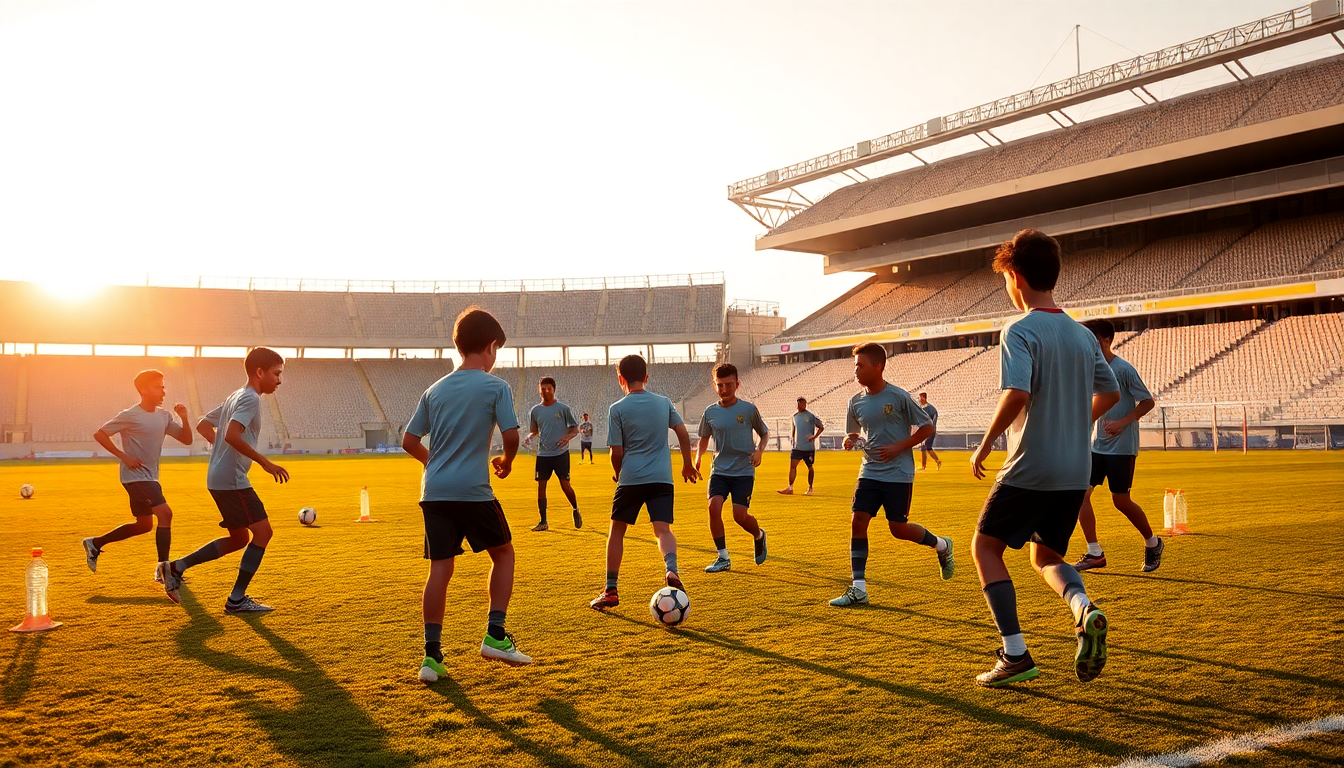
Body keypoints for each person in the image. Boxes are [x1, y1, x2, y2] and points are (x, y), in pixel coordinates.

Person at [968, 229, 1120, 687]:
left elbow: (1017, 392)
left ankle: (1015, 655)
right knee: (1046, 556)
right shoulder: (1082, 334)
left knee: (985, 547)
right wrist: (1074, 424)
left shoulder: (1019, 328)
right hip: (1076, 469)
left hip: (1032, 464)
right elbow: (1110, 391)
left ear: (1014, 277)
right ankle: (1083, 607)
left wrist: (987, 440)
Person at [403, 308, 531, 683]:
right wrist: (506, 460)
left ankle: (431, 657)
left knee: (440, 569)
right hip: (473, 491)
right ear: (491, 347)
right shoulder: (496, 387)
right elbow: (511, 435)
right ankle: (495, 634)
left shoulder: (434, 389)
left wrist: (433, 464)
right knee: (503, 553)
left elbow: (409, 440)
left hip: (435, 492)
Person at [161, 348, 291, 612]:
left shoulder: (236, 395)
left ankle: (175, 567)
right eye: (276, 374)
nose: (279, 380)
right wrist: (265, 462)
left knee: (239, 538)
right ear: (259, 372)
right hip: (232, 480)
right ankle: (236, 600)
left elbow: (202, 426)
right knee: (263, 532)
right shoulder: (250, 399)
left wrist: (218, 446)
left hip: (219, 477)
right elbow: (231, 435)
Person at [830, 343, 954, 608]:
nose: (856, 370)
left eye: (861, 365)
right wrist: (849, 441)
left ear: (878, 367)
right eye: (855, 365)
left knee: (897, 529)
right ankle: (859, 588)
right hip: (869, 471)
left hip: (898, 473)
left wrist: (899, 446)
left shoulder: (899, 397)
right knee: (858, 521)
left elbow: (927, 427)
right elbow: (852, 434)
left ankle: (942, 545)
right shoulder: (855, 402)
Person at [589, 355, 698, 610]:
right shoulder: (663, 403)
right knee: (663, 530)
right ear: (646, 377)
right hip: (662, 478)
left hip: (631, 479)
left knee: (617, 531)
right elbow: (682, 433)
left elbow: (616, 452)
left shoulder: (617, 408)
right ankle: (671, 568)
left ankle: (611, 589)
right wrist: (687, 463)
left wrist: (618, 472)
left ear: (620, 379)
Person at [82, 370, 193, 589]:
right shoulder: (130, 414)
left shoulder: (163, 416)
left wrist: (185, 418)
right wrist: (124, 456)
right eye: (158, 387)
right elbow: (100, 434)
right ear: (143, 390)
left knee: (144, 525)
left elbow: (186, 439)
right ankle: (164, 569)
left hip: (150, 476)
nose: (163, 391)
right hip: (135, 476)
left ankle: (95, 543)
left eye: (163, 387)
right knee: (165, 513)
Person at [1074, 319, 1162, 573]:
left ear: (1104, 341)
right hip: (1095, 446)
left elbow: (1147, 401)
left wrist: (1124, 421)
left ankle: (1153, 542)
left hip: (1121, 448)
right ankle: (1094, 552)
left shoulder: (1123, 369)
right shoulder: (1090, 368)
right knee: (1081, 494)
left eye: (1090, 341)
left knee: (1121, 501)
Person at [696, 363, 770, 573]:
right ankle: (723, 557)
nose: (724, 389)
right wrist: (697, 459)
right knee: (713, 508)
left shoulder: (748, 409)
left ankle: (759, 535)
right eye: (720, 385)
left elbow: (764, 433)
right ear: (714, 386)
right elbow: (703, 439)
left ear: (737, 384)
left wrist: (759, 451)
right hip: (719, 470)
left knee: (740, 516)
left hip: (743, 470)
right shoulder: (709, 412)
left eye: (729, 384)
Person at [524, 377, 581, 532]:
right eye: (543, 389)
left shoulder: (563, 409)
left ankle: (575, 509)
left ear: (554, 389)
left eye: (549, 389)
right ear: (539, 390)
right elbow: (534, 431)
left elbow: (575, 429)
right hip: (543, 455)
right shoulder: (535, 411)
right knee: (541, 487)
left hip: (560, 454)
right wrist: (530, 438)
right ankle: (543, 521)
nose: (546, 391)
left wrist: (566, 438)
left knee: (565, 485)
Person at [778, 397, 823, 495]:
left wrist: (814, 437)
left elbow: (821, 427)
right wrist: (793, 439)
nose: (802, 405)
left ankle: (810, 488)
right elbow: (794, 430)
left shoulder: (810, 416)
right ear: (797, 404)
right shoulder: (795, 416)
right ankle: (790, 488)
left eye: (803, 404)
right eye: (800, 404)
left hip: (808, 448)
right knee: (792, 467)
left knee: (810, 467)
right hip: (797, 447)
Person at [917, 392, 942, 471]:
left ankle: (938, 461)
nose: (919, 400)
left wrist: (931, 429)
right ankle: (923, 466)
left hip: (930, 430)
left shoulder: (930, 408)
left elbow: (933, 420)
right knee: (923, 448)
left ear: (924, 398)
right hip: (924, 430)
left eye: (920, 398)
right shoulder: (921, 408)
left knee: (927, 446)